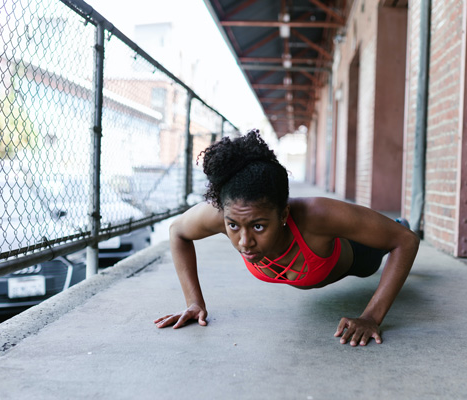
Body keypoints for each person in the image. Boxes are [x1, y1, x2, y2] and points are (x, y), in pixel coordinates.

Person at [154, 129, 420, 346]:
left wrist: (371, 317)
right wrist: (194, 302)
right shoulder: (226, 214)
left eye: (258, 227)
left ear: (284, 214)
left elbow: (406, 241)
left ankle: (398, 220)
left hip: (359, 256)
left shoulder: (318, 215)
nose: (244, 242)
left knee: (387, 243)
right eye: (233, 226)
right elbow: (178, 231)